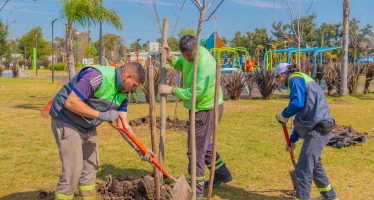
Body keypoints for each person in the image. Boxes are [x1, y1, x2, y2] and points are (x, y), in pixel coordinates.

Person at [49, 63, 146, 200]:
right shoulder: (97, 76)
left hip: (87, 126)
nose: (134, 90)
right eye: (134, 85)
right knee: (73, 171)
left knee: (91, 167)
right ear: (127, 76)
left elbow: (123, 125)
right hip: (66, 120)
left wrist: (141, 149)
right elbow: (71, 102)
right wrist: (102, 115)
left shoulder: (124, 94)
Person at [159, 35, 232, 199]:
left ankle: (196, 192)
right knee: (203, 145)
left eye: (189, 55)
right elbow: (181, 64)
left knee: (196, 151)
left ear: (196, 49)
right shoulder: (188, 56)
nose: (186, 58)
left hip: (206, 109)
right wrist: (170, 57)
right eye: (184, 55)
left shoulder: (204, 63)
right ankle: (222, 173)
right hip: (201, 108)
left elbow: (196, 93)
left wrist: (171, 90)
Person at [274, 63, 338, 200]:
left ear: (281, 74)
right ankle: (330, 197)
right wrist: (292, 140)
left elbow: (297, 104)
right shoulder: (301, 79)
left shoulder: (294, 79)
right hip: (319, 126)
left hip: (319, 128)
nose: (278, 82)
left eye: (277, 79)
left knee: (303, 167)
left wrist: (284, 115)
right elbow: (301, 115)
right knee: (314, 165)